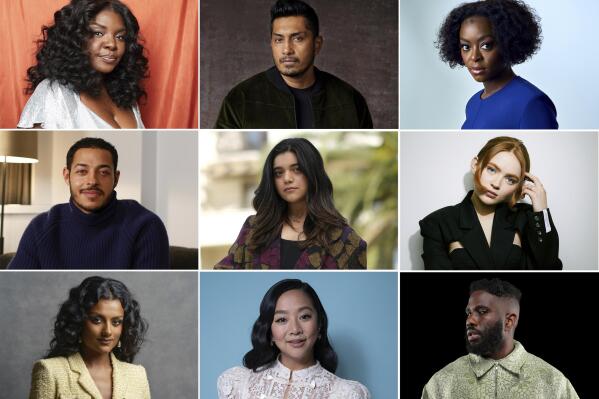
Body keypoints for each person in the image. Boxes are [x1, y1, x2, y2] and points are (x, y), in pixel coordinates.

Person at [8, 137, 169, 269]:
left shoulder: (146, 226)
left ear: (116, 178)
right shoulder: (41, 227)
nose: (92, 181)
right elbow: (11, 289)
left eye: (104, 172)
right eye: (82, 171)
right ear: (66, 176)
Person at [214, 0, 372, 129]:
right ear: (271, 44)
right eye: (279, 40)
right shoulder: (241, 99)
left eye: (298, 38)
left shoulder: (349, 100)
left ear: (317, 44)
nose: (287, 49)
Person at [214, 138, 366, 269]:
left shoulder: (345, 240)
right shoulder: (255, 228)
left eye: (297, 169)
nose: (287, 178)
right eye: (278, 173)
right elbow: (222, 273)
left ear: (312, 173)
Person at [419, 136, 561, 269]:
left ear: (519, 186)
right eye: (492, 170)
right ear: (476, 165)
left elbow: (550, 268)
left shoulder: (525, 217)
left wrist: (542, 212)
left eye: (510, 179)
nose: (496, 184)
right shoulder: (438, 223)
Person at [422, 278, 579, 398]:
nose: (470, 320)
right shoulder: (441, 383)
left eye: (482, 311)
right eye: (468, 313)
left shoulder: (554, 382)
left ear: (509, 321)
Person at [218, 279, 370, 399]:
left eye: (304, 317)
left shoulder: (348, 394)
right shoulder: (237, 383)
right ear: (269, 332)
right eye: (282, 319)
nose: (295, 329)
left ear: (319, 326)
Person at [18, 0, 148, 129]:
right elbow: (24, 149)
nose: (112, 44)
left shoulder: (125, 95)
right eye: (98, 33)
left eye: (120, 37)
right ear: (76, 38)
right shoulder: (55, 93)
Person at [436, 0, 557, 129]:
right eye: (466, 47)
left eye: (486, 46)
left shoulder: (531, 103)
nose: (474, 57)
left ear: (508, 43)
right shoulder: (473, 103)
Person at [29, 276, 150, 399]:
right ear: (79, 321)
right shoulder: (50, 371)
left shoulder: (137, 375)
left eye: (116, 322)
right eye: (96, 320)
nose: (107, 331)